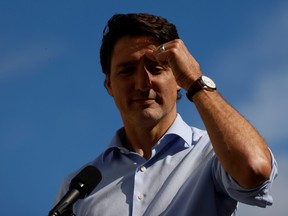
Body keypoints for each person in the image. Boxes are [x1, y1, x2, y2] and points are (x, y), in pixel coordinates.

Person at [53, 13, 278, 216]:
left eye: (156, 68)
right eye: (127, 70)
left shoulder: (211, 154)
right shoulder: (77, 187)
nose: (143, 83)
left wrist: (195, 81)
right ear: (109, 85)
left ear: (178, 78)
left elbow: (254, 169)